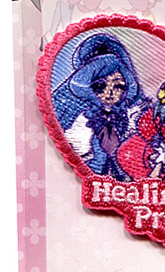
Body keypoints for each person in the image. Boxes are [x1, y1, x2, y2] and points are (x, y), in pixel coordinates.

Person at [52, 33, 148, 182]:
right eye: (100, 86)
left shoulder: (132, 118)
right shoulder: (83, 121)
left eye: (118, 86)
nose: (110, 93)